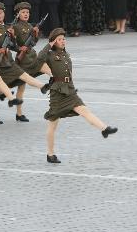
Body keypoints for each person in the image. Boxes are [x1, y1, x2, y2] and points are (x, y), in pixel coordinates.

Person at [37, 28, 118, 164]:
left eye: (64, 38)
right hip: (57, 93)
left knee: (84, 110)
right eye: (60, 39)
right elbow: (39, 59)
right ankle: (50, 154)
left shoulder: (65, 54)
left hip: (69, 90)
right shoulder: (50, 55)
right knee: (53, 124)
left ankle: (104, 129)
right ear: (54, 42)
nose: (63, 41)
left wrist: (72, 87)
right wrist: (49, 45)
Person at [0, 2, 50, 124]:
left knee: (24, 78)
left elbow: (13, 45)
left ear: (4, 14)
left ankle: (43, 86)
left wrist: (15, 37)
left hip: (9, 61)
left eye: (1, 13)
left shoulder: (8, 28)